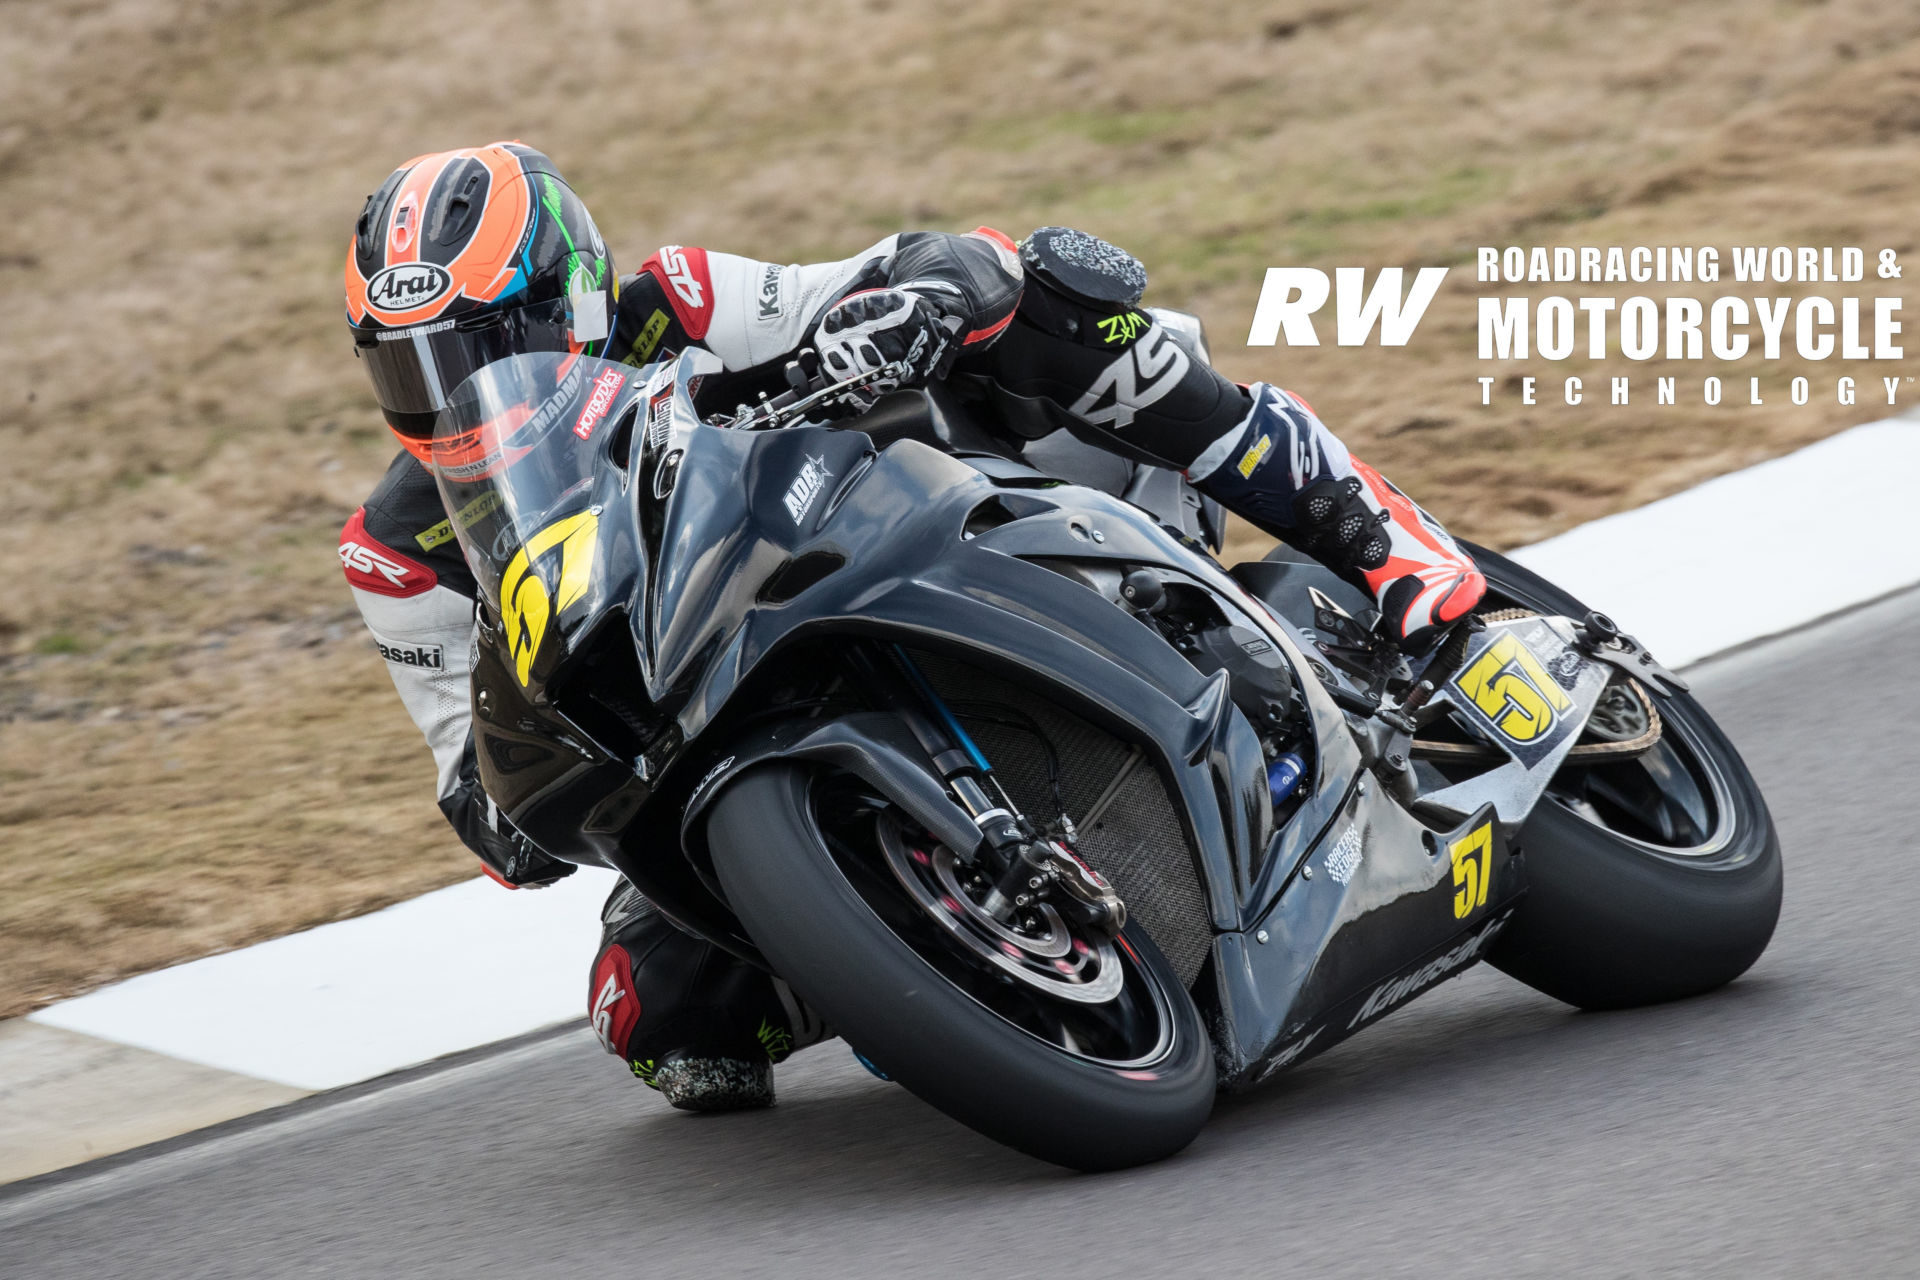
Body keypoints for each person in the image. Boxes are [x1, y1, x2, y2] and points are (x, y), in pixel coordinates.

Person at [338, 141, 1486, 1111]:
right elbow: (471, 786)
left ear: (572, 295)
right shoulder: (396, 552)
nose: (455, 386)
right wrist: (519, 795)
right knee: (657, 1014)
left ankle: (1368, 529)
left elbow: (922, 264)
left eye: (489, 339)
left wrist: (911, 305)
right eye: (416, 362)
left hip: (889, 539)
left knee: (1045, 301)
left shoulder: (676, 307)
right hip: (696, 723)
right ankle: (939, 956)